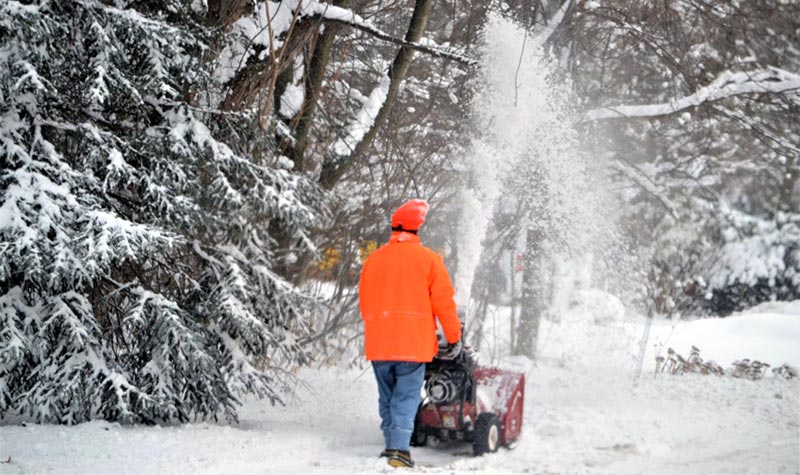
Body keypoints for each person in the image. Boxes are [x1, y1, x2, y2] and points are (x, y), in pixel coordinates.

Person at [359, 199, 462, 469]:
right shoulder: (429, 261)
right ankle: (399, 450)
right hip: (413, 345)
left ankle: (391, 444)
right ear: (418, 229)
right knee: (405, 396)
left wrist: (379, 326)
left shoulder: (374, 260)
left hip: (379, 343)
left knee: (387, 396)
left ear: (394, 227)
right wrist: (454, 337)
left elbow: (365, 303)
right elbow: (444, 304)